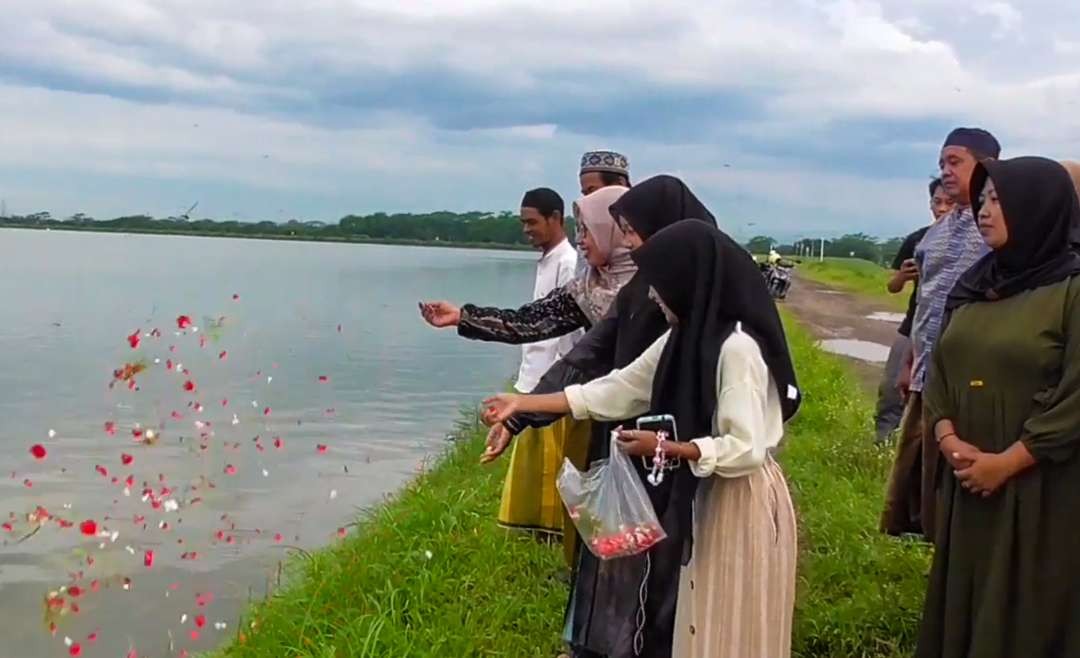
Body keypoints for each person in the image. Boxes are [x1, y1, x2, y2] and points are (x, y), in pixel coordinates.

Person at [484, 220, 801, 658]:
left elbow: (745, 447)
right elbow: (617, 388)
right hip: (701, 490)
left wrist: (672, 449)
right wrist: (525, 404)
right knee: (692, 616)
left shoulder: (737, 348)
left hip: (736, 497)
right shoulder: (682, 337)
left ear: (689, 281)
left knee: (724, 620)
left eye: (660, 284)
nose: (652, 296)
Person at [486, 176, 724, 658]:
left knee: (664, 570)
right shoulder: (633, 293)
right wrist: (518, 413)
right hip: (622, 438)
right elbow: (598, 370)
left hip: (681, 458)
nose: (585, 240)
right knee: (615, 553)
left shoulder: (697, 306)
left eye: (632, 232)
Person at [916, 156, 1080, 658]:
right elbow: (939, 368)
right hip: (969, 479)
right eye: (983, 198)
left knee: (1028, 605)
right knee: (970, 589)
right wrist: (948, 439)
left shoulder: (1070, 289)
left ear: (1038, 209)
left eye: (999, 200)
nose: (985, 210)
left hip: (1040, 486)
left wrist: (1007, 463)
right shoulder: (975, 285)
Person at [418, 187, 634, 562]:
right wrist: (464, 317)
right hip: (598, 407)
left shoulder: (649, 292)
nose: (582, 241)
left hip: (648, 423)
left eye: (588, 230)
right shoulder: (590, 286)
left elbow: (581, 357)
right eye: (579, 230)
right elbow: (533, 323)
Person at [421, 187, 580, 543]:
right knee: (534, 472)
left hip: (550, 384)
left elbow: (562, 332)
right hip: (533, 381)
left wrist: (548, 387)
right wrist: (464, 317)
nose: (526, 230)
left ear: (556, 219)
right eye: (522, 223)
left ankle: (556, 539)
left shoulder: (569, 264)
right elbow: (527, 321)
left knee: (551, 474)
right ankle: (543, 537)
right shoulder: (550, 260)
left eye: (532, 222)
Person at [881, 128, 999, 539]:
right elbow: (927, 301)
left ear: (986, 165)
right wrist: (911, 361)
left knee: (962, 475)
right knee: (924, 472)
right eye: (941, 164)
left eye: (955, 162)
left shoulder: (999, 227)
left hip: (974, 377)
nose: (946, 172)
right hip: (927, 371)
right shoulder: (938, 231)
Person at [873, 178, 954, 444]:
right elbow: (892, 286)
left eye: (948, 202)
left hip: (951, 329)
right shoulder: (919, 239)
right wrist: (904, 276)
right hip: (913, 325)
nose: (941, 209)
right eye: (936, 202)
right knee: (892, 387)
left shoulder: (974, 240)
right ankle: (883, 440)